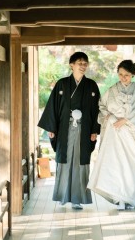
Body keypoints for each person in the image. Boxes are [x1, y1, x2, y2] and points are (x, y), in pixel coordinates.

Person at [88, 59, 135, 210]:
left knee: (133, 165)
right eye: (120, 74)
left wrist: (125, 120)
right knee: (116, 165)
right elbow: (102, 105)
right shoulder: (112, 89)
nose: (123, 78)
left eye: (126, 75)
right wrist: (110, 117)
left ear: (132, 74)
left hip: (132, 133)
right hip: (115, 133)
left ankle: (131, 198)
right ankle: (118, 198)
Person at [37, 51, 101, 209]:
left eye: (85, 63)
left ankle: (78, 198)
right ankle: (62, 196)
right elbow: (53, 106)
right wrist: (51, 128)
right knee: (64, 161)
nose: (83, 66)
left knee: (81, 163)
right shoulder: (62, 84)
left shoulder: (91, 85)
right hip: (65, 128)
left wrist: (94, 130)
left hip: (84, 129)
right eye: (80, 63)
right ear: (71, 65)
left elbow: (96, 109)